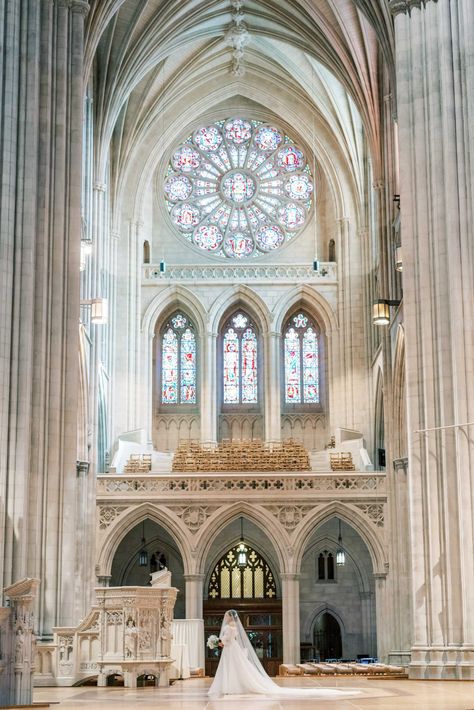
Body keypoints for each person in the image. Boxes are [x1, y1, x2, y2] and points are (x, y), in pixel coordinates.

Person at [208, 609, 359, 699]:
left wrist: (217, 643)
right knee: (238, 668)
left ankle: (230, 686)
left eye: (227, 615)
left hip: (229, 649)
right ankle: (234, 686)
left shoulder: (229, 626)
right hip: (232, 649)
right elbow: (230, 640)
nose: (225, 617)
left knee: (233, 668)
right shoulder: (234, 626)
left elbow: (226, 641)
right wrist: (220, 642)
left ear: (230, 616)